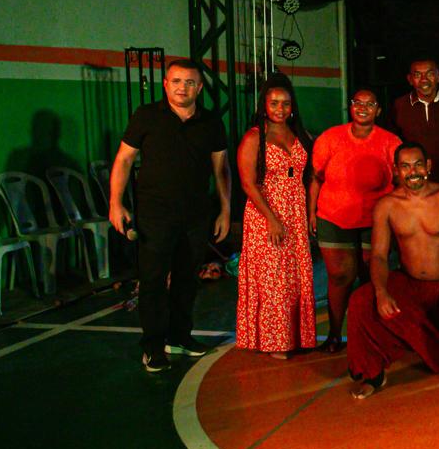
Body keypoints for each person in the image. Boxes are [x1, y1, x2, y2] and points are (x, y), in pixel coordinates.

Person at [108, 59, 230, 373]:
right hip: (155, 215)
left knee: (187, 281)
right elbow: (124, 160)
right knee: (152, 281)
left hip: (196, 215)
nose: (182, 88)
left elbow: (221, 168)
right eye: (176, 81)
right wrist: (115, 203)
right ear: (165, 84)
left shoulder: (211, 122)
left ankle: (179, 338)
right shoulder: (147, 116)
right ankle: (152, 347)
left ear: (199, 88)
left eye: (189, 82)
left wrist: (225, 209)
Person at [346, 142, 439, 398]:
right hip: (411, 285)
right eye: (405, 167)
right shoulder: (387, 206)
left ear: (428, 166)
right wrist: (381, 292)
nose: (413, 172)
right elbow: (379, 256)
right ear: (396, 171)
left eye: (418, 165)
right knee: (361, 300)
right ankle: (372, 373)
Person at [308, 89, 401, 353]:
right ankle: (334, 334)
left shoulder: (390, 142)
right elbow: (316, 178)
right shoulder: (330, 138)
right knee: (339, 276)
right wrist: (311, 212)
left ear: (378, 110)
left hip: (375, 219)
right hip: (333, 216)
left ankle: (370, 335)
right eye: (357, 103)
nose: (362, 108)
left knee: (372, 277)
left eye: (369, 104)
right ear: (350, 107)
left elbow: (399, 181)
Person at [235, 74, 316, 360]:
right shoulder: (254, 136)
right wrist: (271, 219)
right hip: (266, 213)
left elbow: (311, 176)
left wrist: (311, 212)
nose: (280, 109)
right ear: (264, 106)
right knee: (273, 278)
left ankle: (296, 336)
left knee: (295, 276)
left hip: (295, 211)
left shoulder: (300, 135)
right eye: (274, 103)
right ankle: (274, 340)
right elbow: (248, 183)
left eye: (285, 103)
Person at [392, 57, 439, 188]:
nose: (424, 80)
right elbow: (394, 145)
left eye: (430, 74)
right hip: (413, 183)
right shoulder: (400, 106)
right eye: (418, 75)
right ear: (410, 79)